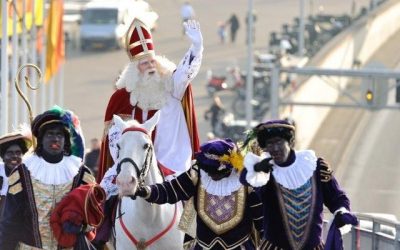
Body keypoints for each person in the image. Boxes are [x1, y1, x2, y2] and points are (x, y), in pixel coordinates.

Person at [97, 17, 203, 183]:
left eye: (152, 61)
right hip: (133, 169)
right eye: (144, 63)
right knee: (107, 196)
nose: (151, 67)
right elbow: (113, 140)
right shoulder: (121, 98)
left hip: (173, 169)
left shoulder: (172, 87)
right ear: (134, 69)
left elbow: (185, 72)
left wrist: (196, 48)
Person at [239, 119, 357, 249]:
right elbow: (244, 180)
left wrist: (341, 211)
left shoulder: (314, 166)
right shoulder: (265, 172)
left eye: (279, 142)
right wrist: (257, 169)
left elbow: (336, 197)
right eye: (270, 144)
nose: (275, 148)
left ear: (290, 142)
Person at [134, 138, 264, 249]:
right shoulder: (197, 173)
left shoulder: (247, 181)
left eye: (215, 171)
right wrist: (145, 191)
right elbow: (171, 190)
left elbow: (262, 219)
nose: (211, 175)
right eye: (208, 171)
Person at [0, 106, 98, 249]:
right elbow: (10, 221)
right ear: (41, 139)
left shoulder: (82, 174)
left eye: (60, 135)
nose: (55, 138)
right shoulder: (22, 173)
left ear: (66, 140)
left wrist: (81, 225)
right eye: (50, 134)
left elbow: (92, 217)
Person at [0, 125, 32, 214]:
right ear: (3, 156)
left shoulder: (28, 174)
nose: (14, 156)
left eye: (18, 153)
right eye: (10, 153)